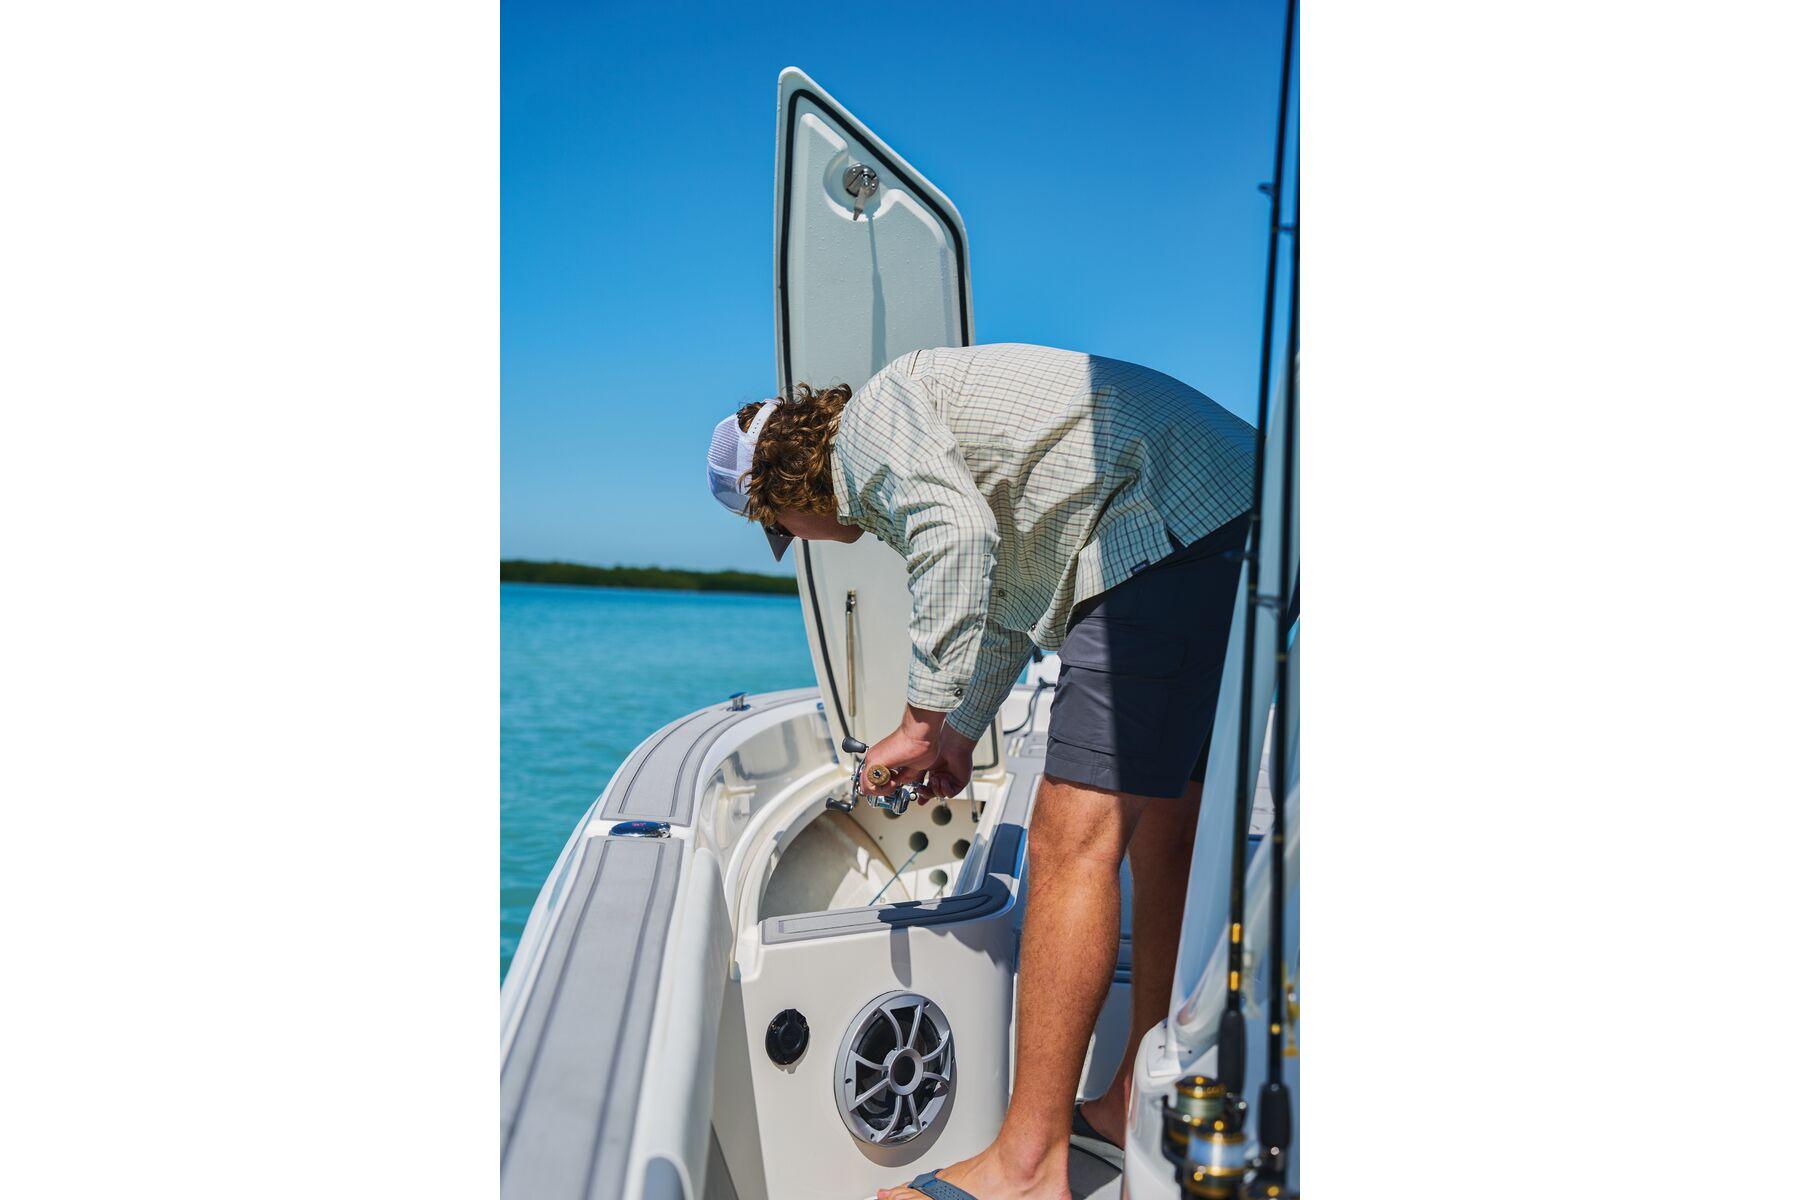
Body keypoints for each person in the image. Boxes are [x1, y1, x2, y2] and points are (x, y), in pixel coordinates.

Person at [705, 343, 1254, 1200]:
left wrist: (920, 720)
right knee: (1167, 832)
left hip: (1158, 526)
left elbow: (956, 541)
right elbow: (1002, 601)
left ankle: (1025, 1169)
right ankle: (1135, 1102)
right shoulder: (909, 428)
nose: (799, 541)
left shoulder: (874, 426)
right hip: (1234, 513)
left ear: (783, 493)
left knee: (1069, 842)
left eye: (781, 530)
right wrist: (955, 735)